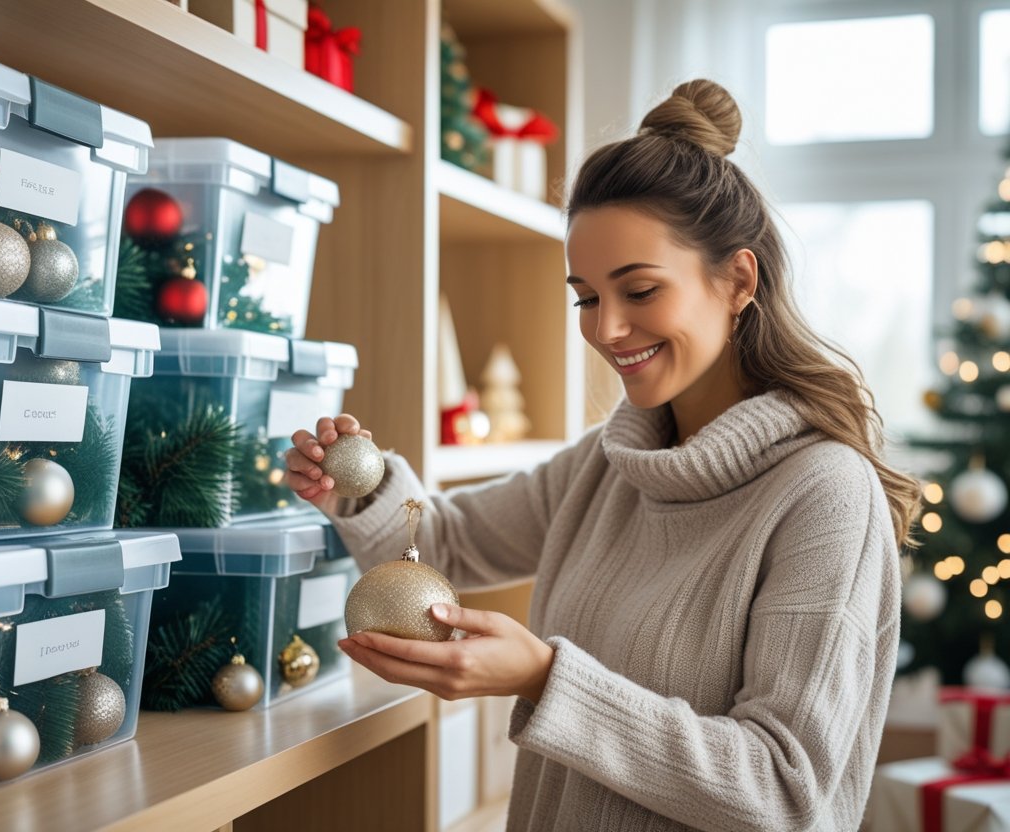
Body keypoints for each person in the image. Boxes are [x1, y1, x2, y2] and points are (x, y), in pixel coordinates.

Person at [286, 79, 920, 832]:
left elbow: (785, 792)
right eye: (585, 297)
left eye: (641, 290)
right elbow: (447, 543)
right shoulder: (610, 461)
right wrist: (355, 487)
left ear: (738, 281)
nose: (608, 330)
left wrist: (545, 678)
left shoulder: (824, 496)